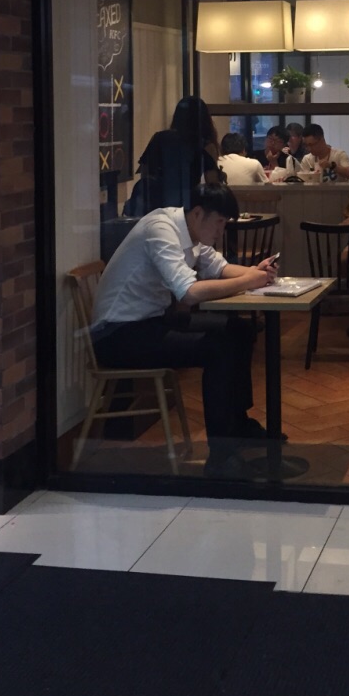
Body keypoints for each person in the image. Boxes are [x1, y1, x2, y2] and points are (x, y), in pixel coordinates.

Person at [91, 183, 278, 479]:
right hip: (118, 334)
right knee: (218, 349)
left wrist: (258, 272)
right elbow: (188, 293)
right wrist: (249, 281)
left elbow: (219, 268)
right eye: (219, 222)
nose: (221, 231)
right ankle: (221, 458)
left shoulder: (191, 231)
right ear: (199, 213)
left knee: (240, 329)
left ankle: (239, 425)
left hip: (150, 322)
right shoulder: (160, 229)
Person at [130, 96, 221, 213]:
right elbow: (212, 186)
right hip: (186, 205)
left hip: (155, 206)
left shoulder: (160, 138)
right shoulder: (204, 145)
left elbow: (145, 172)